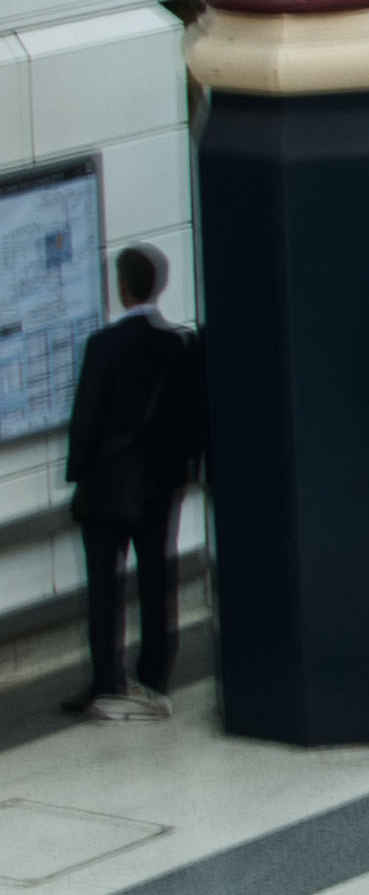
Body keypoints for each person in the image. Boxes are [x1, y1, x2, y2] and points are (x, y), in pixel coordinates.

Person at [63, 243, 203, 723]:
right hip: (160, 484)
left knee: (104, 583)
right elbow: (191, 417)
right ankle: (153, 677)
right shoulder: (178, 346)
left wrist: (78, 473)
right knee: (155, 579)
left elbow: (86, 421)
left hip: (108, 484)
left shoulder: (104, 346)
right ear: (158, 285)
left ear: (121, 287)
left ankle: (107, 680)